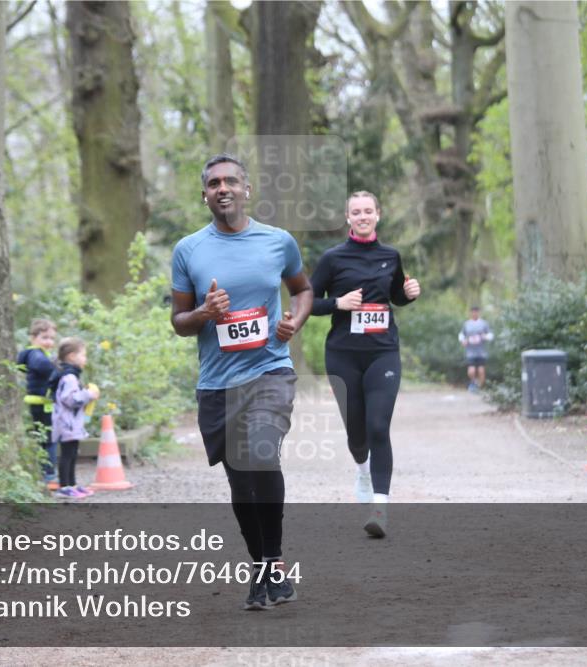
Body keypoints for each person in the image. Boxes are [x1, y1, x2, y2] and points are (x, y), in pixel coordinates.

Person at [171, 154, 312, 610]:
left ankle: (273, 561)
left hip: (270, 369)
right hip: (217, 384)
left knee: (262, 454)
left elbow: (303, 289)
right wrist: (203, 314)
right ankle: (263, 566)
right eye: (214, 183)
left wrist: (295, 321)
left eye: (231, 180)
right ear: (205, 194)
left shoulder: (277, 241)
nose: (223, 188)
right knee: (240, 483)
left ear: (248, 190)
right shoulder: (188, 250)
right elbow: (179, 321)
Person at [309, 191, 421, 538]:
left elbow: (396, 295)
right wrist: (338, 303)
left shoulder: (390, 255)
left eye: (368, 211)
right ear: (347, 218)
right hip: (343, 354)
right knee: (357, 434)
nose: (362, 216)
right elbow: (308, 302)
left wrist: (408, 293)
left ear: (378, 215)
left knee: (377, 426)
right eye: (356, 212)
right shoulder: (333, 258)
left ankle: (379, 508)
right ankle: (362, 469)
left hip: (382, 352)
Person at [48, 337, 99, 500]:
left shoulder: (71, 375)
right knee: (67, 455)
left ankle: (73, 484)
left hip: (72, 424)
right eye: (83, 355)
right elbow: (69, 399)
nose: (85, 359)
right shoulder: (68, 377)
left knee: (72, 454)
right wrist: (88, 394)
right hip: (66, 423)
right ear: (71, 356)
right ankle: (65, 486)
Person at [17, 318, 59, 491]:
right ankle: (48, 475)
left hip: (42, 402)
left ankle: (46, 472)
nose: (49, 342)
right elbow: (44, 367)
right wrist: (60, 366)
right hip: (41, 403)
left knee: (45, 438)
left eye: (51, 338)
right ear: (33, 338)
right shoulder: (36, 354)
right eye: (44, 337)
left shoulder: (38, 353)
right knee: (49, 440)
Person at [459, 306, 493, 392]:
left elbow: (490, 335)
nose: (474, 314)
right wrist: (463, 341)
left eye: (476, 312)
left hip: (481, 352)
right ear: (470, 313)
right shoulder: (467, 324)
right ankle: (473, 383)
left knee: (481, 371)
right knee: (471, 371)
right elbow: (462, 335)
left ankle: (480, 387)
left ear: (479, 313)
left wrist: (485, 337)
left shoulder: (483, 323)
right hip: (470, 351)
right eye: (473, 312)